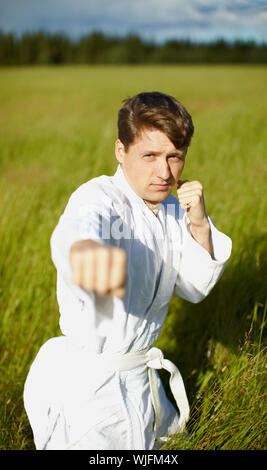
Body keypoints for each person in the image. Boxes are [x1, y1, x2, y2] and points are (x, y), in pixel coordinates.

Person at [24, 91, 232, 450]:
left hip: (143, 382)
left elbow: (196, 286)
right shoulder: (98, 199)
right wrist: (93, 262)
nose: (164, 172)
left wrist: (198, 225)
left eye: (174, 157)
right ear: (121, 151)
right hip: (91, 389)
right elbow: (80, 232)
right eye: (149, 156)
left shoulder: (172, 209)